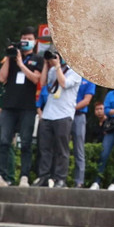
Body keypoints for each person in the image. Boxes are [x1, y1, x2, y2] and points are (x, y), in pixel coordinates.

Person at [0, 27, 42, 187]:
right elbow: (2, 78)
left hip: (28, 107)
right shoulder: (11, 58)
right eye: (23, 38)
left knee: (26, 143)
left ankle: (24, 176)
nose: (25, 41)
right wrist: (9, 57)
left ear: (35, 41)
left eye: (29, 39)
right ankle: (1, 175)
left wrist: (21, 64)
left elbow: (36, 79)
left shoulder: (38, 59)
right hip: (9, 106)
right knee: (4, 141)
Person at [36, 50, 80, 188]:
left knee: (62, 149)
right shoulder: (52, 70)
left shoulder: (76, 72)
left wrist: (57, 66)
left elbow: (64, 83)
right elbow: (43, 82)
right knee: (44, 148)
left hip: (64, 114)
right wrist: (46, 64)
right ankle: (43, 177)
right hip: (48, 114)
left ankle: (60, 179)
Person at [72, 77, 95, 187]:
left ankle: (79, 181)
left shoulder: (89, 80)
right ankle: (59, 179)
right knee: (61, 148)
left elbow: (87, 100)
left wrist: (70, 108)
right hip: (64, 115)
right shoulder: (69, 73)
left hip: (79, 115)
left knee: (79, 149)